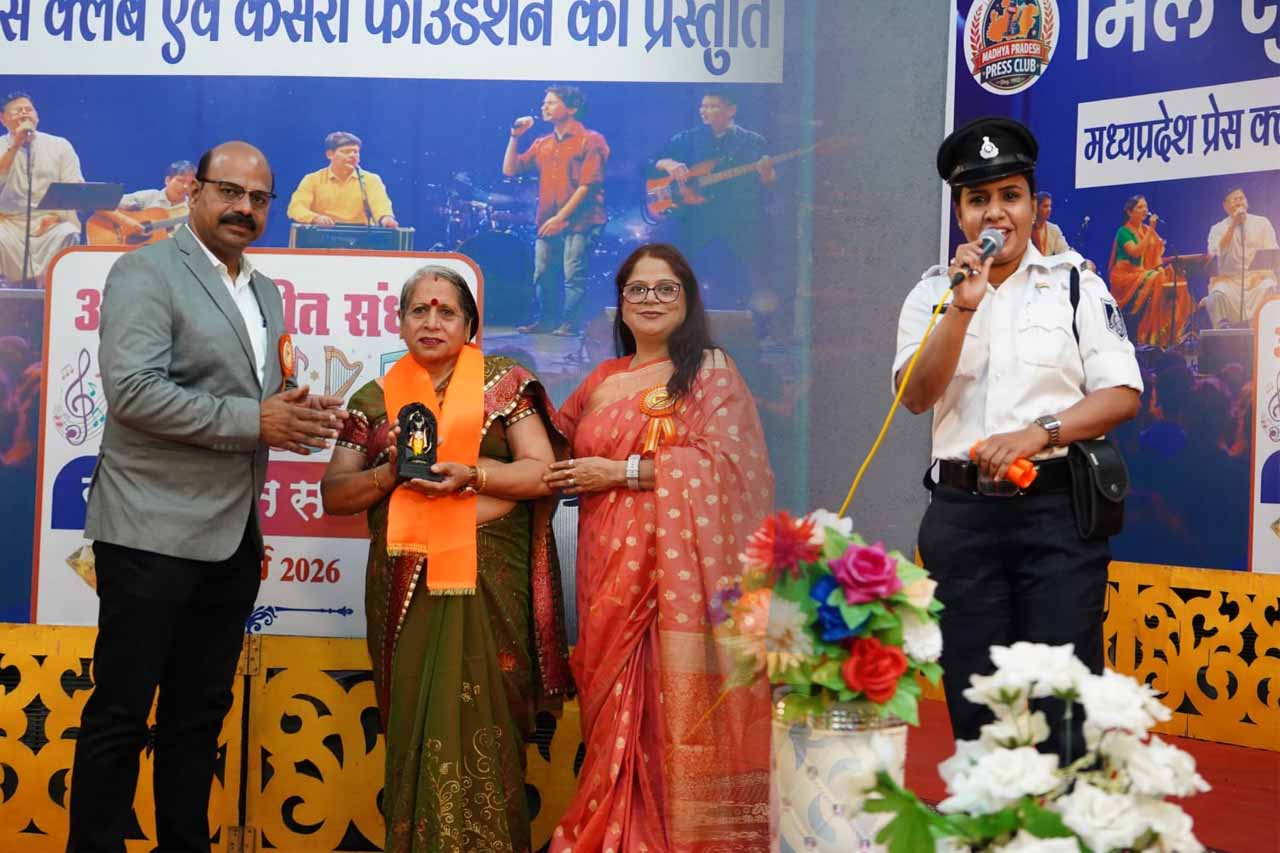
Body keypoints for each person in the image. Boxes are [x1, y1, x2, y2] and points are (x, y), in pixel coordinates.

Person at [68, 141, 347, 852]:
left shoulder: (265, 291)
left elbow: (256, 396)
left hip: (232, 538)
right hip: (149, 530)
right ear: (194, 191)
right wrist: (257, 420)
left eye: (258, 198)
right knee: (121, 715)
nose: (243, 208)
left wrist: (299, 411)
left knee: (196, 720)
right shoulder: (146, 271)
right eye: (229, 191)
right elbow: (134, 393)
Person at [894, 117, 1142, 758]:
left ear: (1035, 206)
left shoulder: (1076, 283)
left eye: (1010, 195)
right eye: (978, 199)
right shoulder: (932, 292)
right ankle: (987, 811)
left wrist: (1039, 433)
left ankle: (1065, 812)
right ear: (960, 214)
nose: (995, 213)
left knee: (1064, 702)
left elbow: (1122, 392)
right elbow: (916, 396)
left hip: (1056, 517)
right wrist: (963, 305)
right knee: (977, 700)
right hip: (961, 519)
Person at [320, 265, 571, 852]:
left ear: (469, 325)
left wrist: (474, 475)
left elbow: (542, 472)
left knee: (489, 720)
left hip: (490, 586)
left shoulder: (505, 385)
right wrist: (388, 474)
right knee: (415, 720)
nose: (431, 321)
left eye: (447, 311)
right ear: (400, 322)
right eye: (419, 310)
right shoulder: (373, 399)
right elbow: (334, 494)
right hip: (405, 590)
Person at [545, 243, 774, 852]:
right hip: (606, 573)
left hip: (679, 588)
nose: (650, 299)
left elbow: (734, 469)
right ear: (621, 305)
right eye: (637, 289)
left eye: (665, 288)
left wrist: (619, 473)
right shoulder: (600, 381)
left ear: (687, 300)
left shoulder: (711, 372)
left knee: (675, 711)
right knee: (611, 715)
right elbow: (547, 453)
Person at [650, 89, 775, 315]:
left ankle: (759, 321)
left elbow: (769, 183)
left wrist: (766, 173)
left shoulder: (753, 142)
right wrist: (669, 164)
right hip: (696, 217)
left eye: (712, 106)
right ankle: (673, 314)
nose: (704, 111)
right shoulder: (686, 139)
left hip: (737, 217)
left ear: (731, 110)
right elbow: (652, 162)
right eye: (703, 106)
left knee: (753, 269)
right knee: (678, 266)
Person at [503, 85, 609, 336]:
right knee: (542, 272)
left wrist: (560, 218)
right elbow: (510, 169)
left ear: (572, 108)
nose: (544, 107)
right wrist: (515, 137)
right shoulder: (543, 143)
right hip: (548, 220)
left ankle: (571, 324)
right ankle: (546, 320)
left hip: (581, 220)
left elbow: (586, 186)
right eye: (544, 103)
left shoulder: (590, 139)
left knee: (573, 273)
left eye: (551, 102)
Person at [0, 91, 82, 284]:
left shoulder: (60, 146)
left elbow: (73, 188)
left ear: (37, 116)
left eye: (28, 109)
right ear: (3, 119)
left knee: (68, 232)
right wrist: (16, 145)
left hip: (50, 221)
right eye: (17, 111)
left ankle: (51, 290)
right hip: (8, 223)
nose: (24, 114)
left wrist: (56, 216)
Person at [1107, 194, 1192, 347]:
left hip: (1143, 273)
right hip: (1125, 276)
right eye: (1140, 207)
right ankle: (1149, 336)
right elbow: (1135, 252)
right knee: (1157, 278)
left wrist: (1160, 268)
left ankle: (1170, 332)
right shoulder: (1123, 232)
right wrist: (1151, 229)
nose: (1145, 210)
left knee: (1172, 276)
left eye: (1145, 207)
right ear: (1129, 212)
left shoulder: (1146, 230)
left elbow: (1156, 256)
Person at [287, 131, 399, 227]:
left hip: (360, 237)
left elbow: (380, 204)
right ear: (330, 154)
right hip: (323, 234)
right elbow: (296, 208)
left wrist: (386, 218)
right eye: (346, 152)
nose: (353, 155)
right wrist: (315, 218)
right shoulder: (312, 179)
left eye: (356, 152)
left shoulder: (371, 180)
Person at [1205, 187, 1279, 328]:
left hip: (1256, 279)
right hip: (1229, 282)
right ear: (1225, 206)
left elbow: (1272, 254)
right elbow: (1216, 254)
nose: (1239, 202)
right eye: (1235, 199)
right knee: (1216, 295)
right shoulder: (1217, 229)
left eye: (1242, 198)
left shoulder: (1262, 223)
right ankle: (1223, 333)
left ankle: (1265, 329)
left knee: (1268, 286)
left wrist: (1262, 274)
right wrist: (1233, 224)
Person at [95, 160, 197, 243]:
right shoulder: (149, 196)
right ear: (167, 180)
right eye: (180, 180)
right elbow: (99, 202)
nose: (185, 186)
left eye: (190, 183)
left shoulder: (192, 210)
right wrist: (127, 221)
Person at [1030, 191, 1069, 255]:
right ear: (1036, 208)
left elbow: (1064, 251)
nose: (1049, 209)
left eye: (1050, 206)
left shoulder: (1054, 229)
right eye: (1045, 206)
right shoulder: (1025, 229)